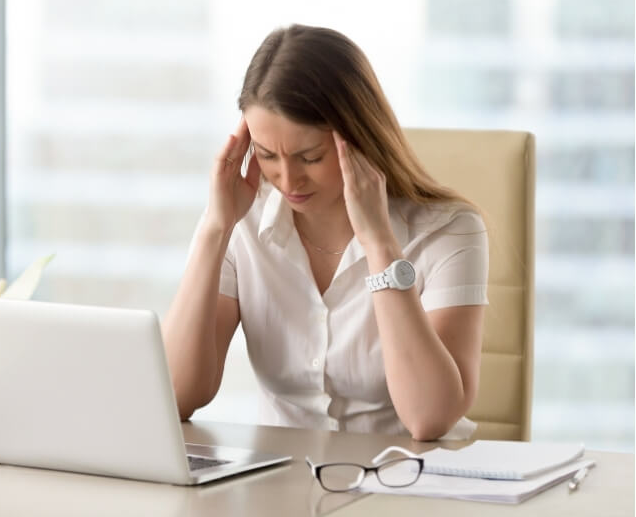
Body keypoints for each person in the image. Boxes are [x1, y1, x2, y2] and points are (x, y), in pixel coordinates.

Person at [162, 24, 489, 441]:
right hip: (281, 490)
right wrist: (215, 228)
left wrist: (380, 244)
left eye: (309, 157)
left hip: (407, 488)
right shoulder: (240, 223)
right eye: (266, 155)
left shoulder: (450, 232)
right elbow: (177, 395)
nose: (287, 179)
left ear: (359, 138)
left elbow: (429, 419)